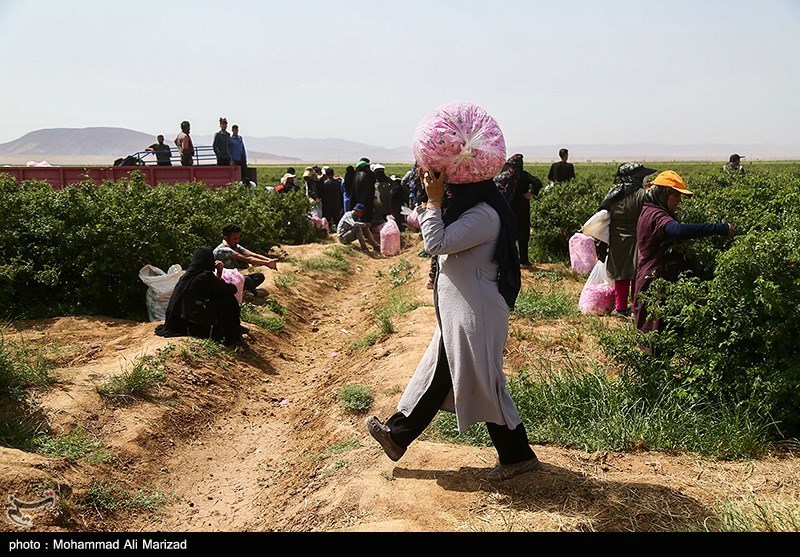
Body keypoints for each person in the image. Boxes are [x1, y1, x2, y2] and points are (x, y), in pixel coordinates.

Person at [366, 166, 541, 482]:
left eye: (452, 187)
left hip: (477, 313)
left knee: (485, 381)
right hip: (461, 311)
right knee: (440, 373)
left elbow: (434, 243)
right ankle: (398, 435)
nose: (447, 192)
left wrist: (433, 203)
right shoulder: (472, 211)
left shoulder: (483, 216)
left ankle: (518, 456)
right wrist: (431, 198)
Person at [633, 170, 735, 333]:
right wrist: (719, 228)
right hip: (655, 280)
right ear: (663, 194)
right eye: (676, 196)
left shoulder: (650, 210)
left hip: (654, 277)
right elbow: (678, 230)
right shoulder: (656, 215)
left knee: (662, 331)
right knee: (655, 334)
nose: (679, 201)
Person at [154, 247, 244, 347]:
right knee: (227, 299)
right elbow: (231, 289)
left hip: (178, 322)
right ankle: (231, 334)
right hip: (189, 325)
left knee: (218, 295)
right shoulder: (204, 276)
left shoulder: (187, 276)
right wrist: (220, 271)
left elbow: (215, 288)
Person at [600, 162, 657, 318]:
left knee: (621, 273)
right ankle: (636, 307)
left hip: (617, 238)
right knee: (637, 273)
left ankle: (620, 308)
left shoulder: (613, 193)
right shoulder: (643, 194)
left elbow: (602, 214)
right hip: (639, 237)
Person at [494, 153, 543, 268]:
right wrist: (531, 193)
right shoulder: (524, 175)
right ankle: (524, 260)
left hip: (509, 208)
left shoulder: (508, 175)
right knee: (523, 234)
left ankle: (509, 260)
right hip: (523, 208)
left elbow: (496, 184)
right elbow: (538, 182)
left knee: (510, 234)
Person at [213, 223, 278, 297]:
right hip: (222, 280)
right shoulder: (222, 250)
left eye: (238, 238)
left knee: (259, 276)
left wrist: (269, 260)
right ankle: (255, 293)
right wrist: (266, 263)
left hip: (233, 278)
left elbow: (251, 254)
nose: (237, 241)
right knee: (246, 279)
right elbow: (246, 259)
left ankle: (246, 290)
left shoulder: (234, 245)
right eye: (234, 239)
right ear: (226, 238)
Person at [320, 166, 344, 230]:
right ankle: (338, 230)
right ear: (333, 174)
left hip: (327, 204)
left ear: (326, 174)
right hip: (336, 203)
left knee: (328, 219)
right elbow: (341, 194)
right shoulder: (338, 183)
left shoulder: (324, 183)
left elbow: (323, 194)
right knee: (337, 219)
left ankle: (329, 230)